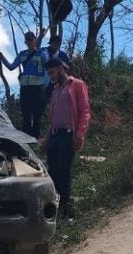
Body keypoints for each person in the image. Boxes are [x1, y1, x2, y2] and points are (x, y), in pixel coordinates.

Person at [40, 58, 91, 218]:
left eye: (52, 72)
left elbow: (85, 112)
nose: (51, 76)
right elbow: (53, 118)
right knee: (52, 172)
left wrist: (80, 135)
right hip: (55, 135)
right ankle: (54, 208)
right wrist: (46, 139)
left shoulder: (76, 85)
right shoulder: (55, 91)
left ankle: (66, 209)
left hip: (69, 135)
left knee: (64, 171)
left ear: (61, 69)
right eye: (48, 73)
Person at [0, 32, 50, 139]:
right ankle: (26, 138)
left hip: (37, 88)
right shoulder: (22, 54)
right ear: (25, 41)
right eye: (28, 40)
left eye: (31, 40)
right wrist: (2, 58)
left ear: (35, 40)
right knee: (26, 114)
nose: (30, 42)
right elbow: (11, 66)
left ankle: (35, 138)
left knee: (37, 115)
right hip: (25, 87)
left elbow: (49, 69)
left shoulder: (42, 53)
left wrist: (46, 84)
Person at [42, 35, 73, 102]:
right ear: (50, 43)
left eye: (58, 44)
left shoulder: (62, 54)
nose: (56, 46)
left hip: (56, 83)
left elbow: (70, 66)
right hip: (43, 82)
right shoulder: (42, 52)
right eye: (54, 44)